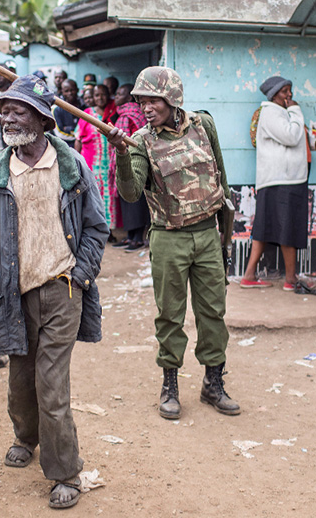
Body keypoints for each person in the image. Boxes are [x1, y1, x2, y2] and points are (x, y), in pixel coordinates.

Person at [0, 75, 108, 509]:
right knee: (20, 380)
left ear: (44, 121)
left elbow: (96, 226)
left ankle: (65, 472)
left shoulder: (71, 167)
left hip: (63, 289)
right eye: (5, 111)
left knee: (51, 385)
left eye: (19, 111)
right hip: (13, 294)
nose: (8, 119)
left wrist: (79, 275)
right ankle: (25, 437)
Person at [107, 66, 241, 420]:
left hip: (208, 234)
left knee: (213, 312)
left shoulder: (203, 125)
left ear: (172, 98)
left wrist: (225, 231)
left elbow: (220, 176)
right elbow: (131, 193)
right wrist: (121, 153)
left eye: (153, 100)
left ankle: (213, 383)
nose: (146, 107)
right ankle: (170, 386)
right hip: (169, 237)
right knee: (170, 315)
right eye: (142, 101)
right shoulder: (140, 140)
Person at [240, 76, 316, 295]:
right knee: (288, 228)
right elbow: (290, 136)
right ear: (273, 94)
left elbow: (297, 134)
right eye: (285, 91)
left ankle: (249, 276)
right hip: (282, 181)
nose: (289, 95)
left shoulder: (281, 113)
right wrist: (296, 110)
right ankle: (290, 279)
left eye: (290, 90)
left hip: (282, 179)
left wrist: (314, 145)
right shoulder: (270, 113)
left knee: (264, 229)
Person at [110, 83, 149, 252]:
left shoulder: (130, 115)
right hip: (123, 160)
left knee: (135, 201)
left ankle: (137, 238)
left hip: (134, 160)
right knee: (126, 200)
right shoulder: (124, 113)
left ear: (129, 97)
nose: (116, 97)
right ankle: (130, 236)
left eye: (120, 94)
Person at [76, 84, 119, 232]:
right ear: (93, 97)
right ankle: (95, 230)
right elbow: (78, 139)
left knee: (109, 199)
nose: (100, 98)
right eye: (97, 95)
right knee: (93, 198)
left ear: (109, 96)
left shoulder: (113, 113)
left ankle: (109, 230)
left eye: (103, 94)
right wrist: (77, 162)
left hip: (109, 166)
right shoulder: (87, 114)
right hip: (91, 165)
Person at [52, 79, 82, 148]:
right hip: (66, 147)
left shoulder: (83, 107)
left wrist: (69, 129)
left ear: (77, 90)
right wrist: (79, 137)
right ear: (62, 92)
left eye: (72, 90)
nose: (70, 93)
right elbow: (59, 133)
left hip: (83, 147)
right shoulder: (57, 109)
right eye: (66, 91)